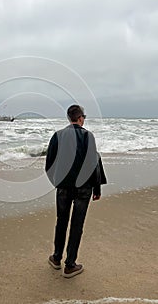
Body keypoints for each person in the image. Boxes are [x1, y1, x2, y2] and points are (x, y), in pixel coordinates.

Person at [45, 104, 106, 278]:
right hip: (84, 188)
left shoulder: (58, 136)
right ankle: (70, 265)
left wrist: (56, 182)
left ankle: (56, 258)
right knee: (76, 225)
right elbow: (93, 163)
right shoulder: (88, 136)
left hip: (63, 186)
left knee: (61, 221)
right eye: (83, 117)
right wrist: (97, 188)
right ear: (80, 118)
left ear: (69, 118)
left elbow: (49, 163)